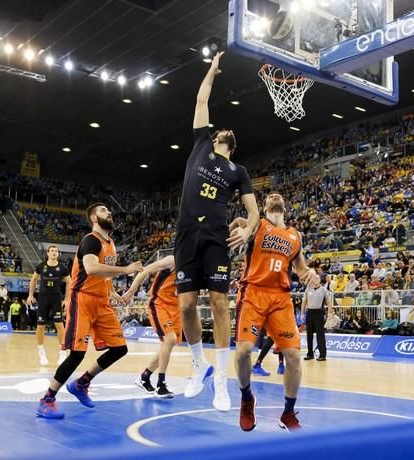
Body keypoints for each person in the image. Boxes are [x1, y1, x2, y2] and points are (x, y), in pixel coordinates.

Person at [174, 51, 260, 412]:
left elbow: (253, 212)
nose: (221, 131)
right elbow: (201, 99)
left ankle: (221, 383)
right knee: (187, 306)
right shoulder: (200, 146)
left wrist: (248, 230)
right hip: (185, 236)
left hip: (215, 238)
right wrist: (211, 72)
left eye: (226, 133)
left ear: (232, 144)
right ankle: (199, 366)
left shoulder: (237, 170)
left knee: (221, 304)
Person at [35, 203, 143, 419]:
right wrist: (125, 270)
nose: (109, 213)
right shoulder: (91, 240)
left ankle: (81, 383)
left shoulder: (111, 244)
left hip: (102, 302)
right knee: (78, 352)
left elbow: (102, 275)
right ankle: (47, 399)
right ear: (94, 218)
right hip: (82, 300)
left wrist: (113, 293)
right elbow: (92, 268)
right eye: (103, 211)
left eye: (109, 210)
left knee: (119, 348)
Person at [230, 192, 319, 431]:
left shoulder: (294, 235)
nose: (275, 195)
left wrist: (310, 273)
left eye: (278, 196)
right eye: (270, 196)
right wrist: (237, 228)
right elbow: (239, 224)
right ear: (265, 205)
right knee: (243, 351)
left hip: (280, 298)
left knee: (294, 357)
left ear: (285, 206)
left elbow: (301, 269)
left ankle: (288, 414)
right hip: (253, 293)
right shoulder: (256, 223)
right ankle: (247, 399)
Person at [121, 255, 179, 398]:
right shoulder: (173, 260)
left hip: (176, 307)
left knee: (168, 345)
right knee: (169, 340)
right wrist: (130, 292)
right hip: (159, 304)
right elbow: (145, 270)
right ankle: (161, 384)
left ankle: (144, 377)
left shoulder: (196, 264)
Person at [27, 245, 71, 366]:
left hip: (56, 299)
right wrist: (30, 295)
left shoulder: (62, 268)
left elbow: (69, 283)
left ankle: (62, 353)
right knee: (40, 326)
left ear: (58, 254)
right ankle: (41, 352)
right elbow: (33, 280)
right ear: (47, 253)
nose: (54, 252)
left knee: (60, 325)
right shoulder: (41, 266)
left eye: (56, 251)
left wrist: (67, 300)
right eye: (52, 251)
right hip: (43, 299)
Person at [301, 275, 332, 361]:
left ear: (319, 280)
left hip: (319, 312)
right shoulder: (308, 288)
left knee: (320, 334)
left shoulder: (323, 289)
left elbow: (329, 302)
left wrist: (329, 312)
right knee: (309, 334)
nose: (314, 281)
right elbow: (304, 301)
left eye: (316, 279)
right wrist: (302, 313)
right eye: (313, 279)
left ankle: (322, 355)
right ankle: (310, 354)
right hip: (309, 312)